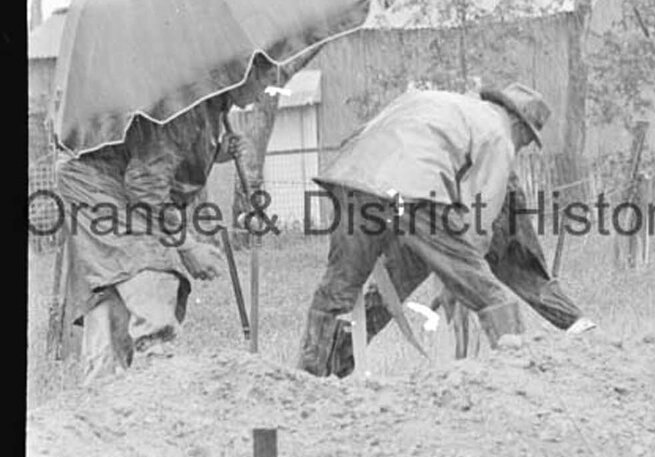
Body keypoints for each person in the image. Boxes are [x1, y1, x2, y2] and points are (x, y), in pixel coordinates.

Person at [298, 82, 594, 379]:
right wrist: (459, 279)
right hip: (411, 190)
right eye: (527, 141)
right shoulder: (499, 134)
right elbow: (478, 222)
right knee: (489, 295)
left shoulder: (440, 104)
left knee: (340, 287)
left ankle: (310, 377)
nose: (523, 147)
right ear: (518, 123)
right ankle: (518, 379)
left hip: (353, 178)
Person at [55, 61, 273, 383]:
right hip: (95, 181)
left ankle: (104, 386)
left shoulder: (210, 106)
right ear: (236, 74)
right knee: (147, 265)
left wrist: (216, 151)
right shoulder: (186, 106)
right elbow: (145, 187)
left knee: (113, 280)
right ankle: (155, 368)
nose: (264, 88)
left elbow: (169, 157)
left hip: (110, 181)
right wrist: (187, 246)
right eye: (261, 77)